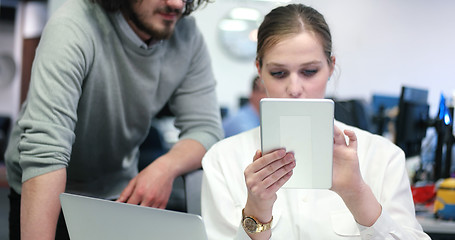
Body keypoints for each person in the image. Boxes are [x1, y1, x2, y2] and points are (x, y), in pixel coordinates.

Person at [201, 4, 430, 239]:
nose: (294, 88)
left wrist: (357, 194)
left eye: (309, 71)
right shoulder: (223, 160)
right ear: (259, 70)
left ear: (331, 66)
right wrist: (257, 215)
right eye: (278, 73)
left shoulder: (383, 156)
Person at [4, 0, 223, 239]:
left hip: (116, 192)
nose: (176, 4)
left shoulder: (187, 35)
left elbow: (206, 129)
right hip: (46, 188)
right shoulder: (74, 23)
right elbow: (45, 151)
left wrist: (164, 168)